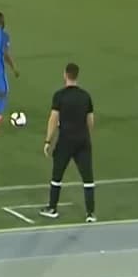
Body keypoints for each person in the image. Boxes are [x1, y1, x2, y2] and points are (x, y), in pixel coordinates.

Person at [38, 62, 96, 222]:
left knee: (57, 175)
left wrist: (48, 140)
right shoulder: (85, 96)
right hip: (83, 141)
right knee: (88, 178)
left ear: (65, 75)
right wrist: (87, 136)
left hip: (65, 140)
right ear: (77, 75)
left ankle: (52, 208)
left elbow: (53, 119)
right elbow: (90, 120)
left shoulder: (60, 96)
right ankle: (90, 213)